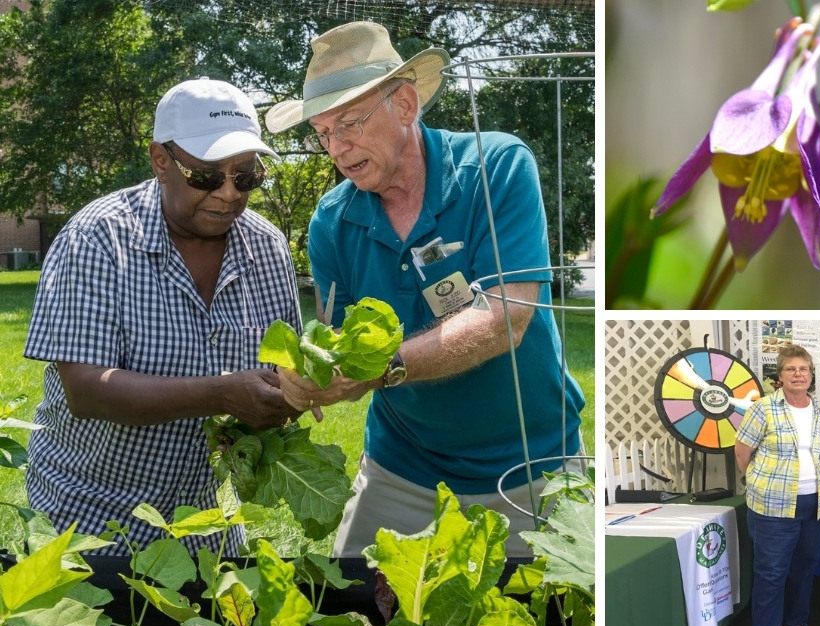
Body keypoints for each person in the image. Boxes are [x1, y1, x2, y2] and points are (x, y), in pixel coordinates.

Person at [264, 22, 584, 558]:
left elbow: (506, 318)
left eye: (349, 123)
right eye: (322, 133)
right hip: (402, 468)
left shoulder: (497, 166)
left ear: (406, 104)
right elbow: (333, 337)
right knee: (356, 598)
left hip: (532, 463)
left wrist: (379, 368)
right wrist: (302, 376)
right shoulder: (331, 222)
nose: (336, 149)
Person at [23, 79, 299, 555]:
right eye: (208, 176)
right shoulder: (97, 238)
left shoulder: (267, 247)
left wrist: (288, 398)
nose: (230, 194)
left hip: (205, 520)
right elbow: (86, 390)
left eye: (247, 176)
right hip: (91, 520)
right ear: (160, 161)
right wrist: (222, 393)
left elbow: (283, 370)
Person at [735, 346, 820, 626]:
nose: (798, 374)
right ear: (780, 375)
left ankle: (796, 624)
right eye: (790, 369)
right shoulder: (762, 408)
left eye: (803, 369)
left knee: (804, 570)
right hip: (773, 507)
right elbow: (742, 453)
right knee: (771, 574)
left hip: (814, 505)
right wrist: (760, 482)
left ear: (811, 375)